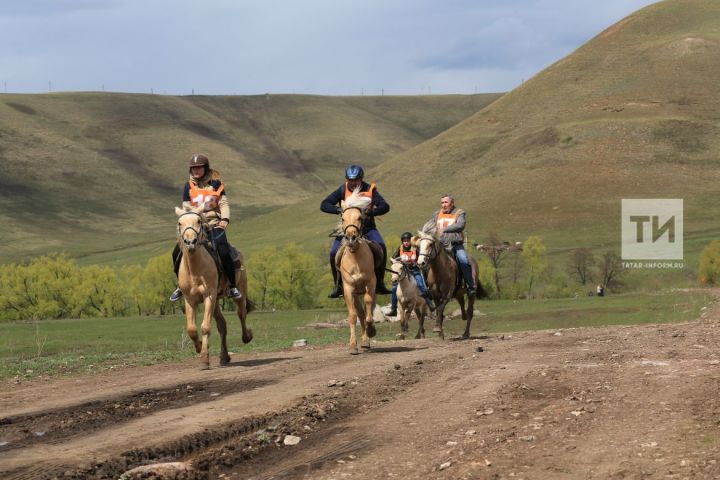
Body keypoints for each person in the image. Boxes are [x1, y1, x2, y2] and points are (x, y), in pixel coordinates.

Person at [170, 154, 242, 301]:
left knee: (223, 249)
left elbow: (223, 204)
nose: (196, 170)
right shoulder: (187, 186)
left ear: (205, 168)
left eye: (199, 167)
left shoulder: (215, 184)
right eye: (193, 168)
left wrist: (224, 219)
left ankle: (232, 286)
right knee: (176, 251)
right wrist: (194, 220)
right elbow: (187, 207)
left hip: (214, 223)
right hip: (196, 225)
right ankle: (180, 285)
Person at [320, 164, 392, 298]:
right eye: (350, 180)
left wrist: (372, 211)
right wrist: (338, 210)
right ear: (347, 179)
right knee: (333, 252)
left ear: (361, 179)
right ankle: (339, 286)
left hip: (367, 229)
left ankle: (380, 283)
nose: (353, 183)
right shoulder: (342, 190)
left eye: (356, 180)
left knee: (381, 246)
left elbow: (385, 206)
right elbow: (324, 204)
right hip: (347, 230)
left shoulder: (370, 189)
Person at [426, 194, 476, 296]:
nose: (444, 205)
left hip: (455, 245)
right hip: (440, 246)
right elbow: (429, 227)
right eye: (442, 203)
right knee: (424, 260)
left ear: (452, 203)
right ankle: (427, 287)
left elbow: (460, 225)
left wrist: (445, 229)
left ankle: (470, 286)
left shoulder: (459, 213)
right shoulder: (436, 214)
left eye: (446, 202)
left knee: (463, 260)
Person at [388, 232, 435, 316]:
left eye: (407, 241)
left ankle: (429, 303)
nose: (406, 242)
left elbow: (420, 259)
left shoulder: (415, 249)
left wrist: (416, 263)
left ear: (411, 241)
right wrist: (395, 261)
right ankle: (393, 309)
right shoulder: (400, 248)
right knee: (394, 287)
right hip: (403, 271)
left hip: (414, 270)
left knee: (421, 284)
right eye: (404, 241)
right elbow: (394, 258)